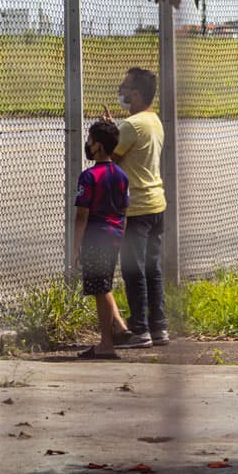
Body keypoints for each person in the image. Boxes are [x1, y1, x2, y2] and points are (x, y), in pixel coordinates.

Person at [108, 67, 167, 349]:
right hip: (156, 204)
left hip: (136, 207)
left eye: (127, 87)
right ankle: (159, 327)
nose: (122, 90)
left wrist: (108, 133)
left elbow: (110, 157)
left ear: (138, 94)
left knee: (134, 270)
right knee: (153, 268)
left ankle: (140, 329)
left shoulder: (131, 126)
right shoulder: (152, 121)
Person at [71, 119, 131, 360]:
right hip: (115, 235)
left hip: (95, 237)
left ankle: (107, 342)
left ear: (97, 146)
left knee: (101, 288)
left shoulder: (89, 176)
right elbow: (124, 211)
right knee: (102, 285)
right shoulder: (121, 174)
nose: (88, 143)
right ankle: (113, 333)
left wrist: (76, 247)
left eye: (90, 140)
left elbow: (82, 215)